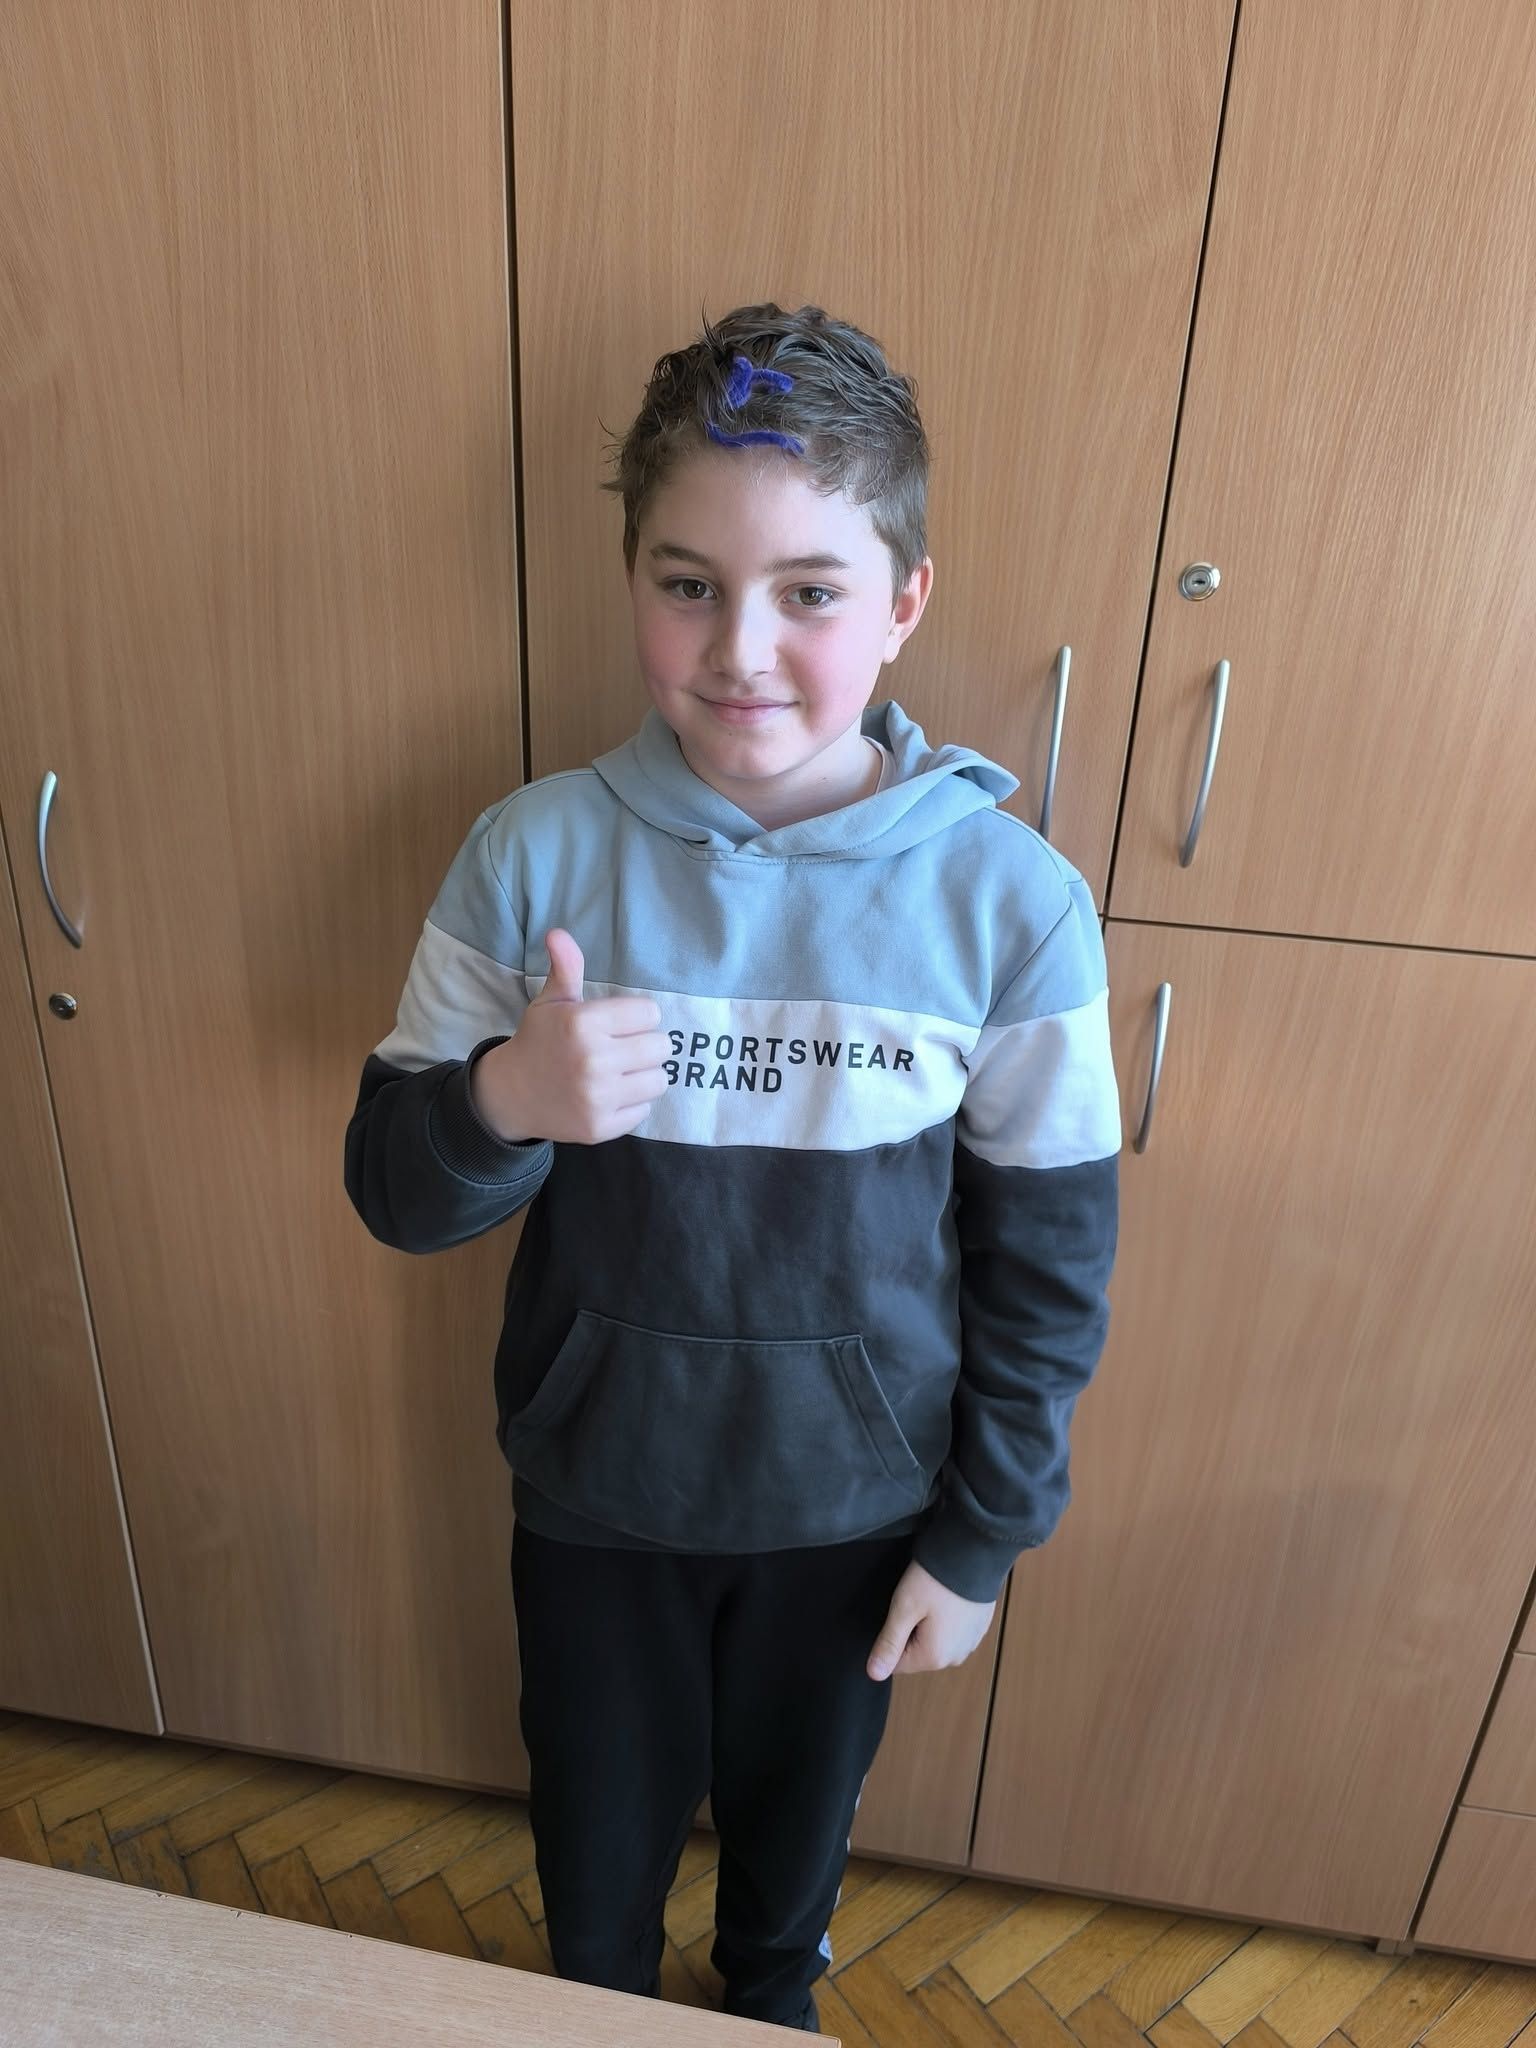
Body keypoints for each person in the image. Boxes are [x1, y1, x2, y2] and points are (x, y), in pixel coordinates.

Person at [344, 301, 1120, 2033]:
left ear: (905, 601)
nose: (741, 650)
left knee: (788, 1873)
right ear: (631, 576)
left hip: (856, 1517)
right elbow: (393, 1185)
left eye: (810, 592)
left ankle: (770, 1998)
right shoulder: (531, 853)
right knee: (594, 1875)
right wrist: (507, 1100)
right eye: (687, 583)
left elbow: (1050, 1269)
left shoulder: (1012, 907)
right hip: (595, 1500)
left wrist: (983, 1540)